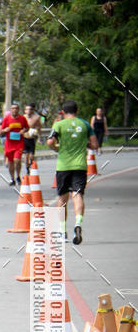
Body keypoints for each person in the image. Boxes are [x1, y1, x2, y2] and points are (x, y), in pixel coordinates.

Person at [47, 101, 98, 245]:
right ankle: (78, 223)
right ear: (77, 110)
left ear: (63, 112)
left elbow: (50, 142)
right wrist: (84, 143)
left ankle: (62, 232)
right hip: (80, 166)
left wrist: (57, 148)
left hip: (63, 166)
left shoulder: (59, 124)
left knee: (62, 200)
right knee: (78, 195)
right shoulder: (85, 125)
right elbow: (94, 145)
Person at [0, 102, 29, 185]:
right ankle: (12, 178)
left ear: (19, 110)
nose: (15, 110)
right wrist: (4, 130)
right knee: (10, 162)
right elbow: (1, 130)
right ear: (10, 110)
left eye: (16, 108)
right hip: (9, 144)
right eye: (13, 108)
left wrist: (23, 131)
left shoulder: (22, 119)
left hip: (19, 143)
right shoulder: (7, 119)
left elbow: (27, 128)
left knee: (17, 160)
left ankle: (18, 176)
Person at [23, 103, 42, 171]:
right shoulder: (23, 117)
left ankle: (30, 163)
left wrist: (40, 138)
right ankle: (27, 167)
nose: (28, 111)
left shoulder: (36, 117)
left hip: (32, 138)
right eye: (27, 109)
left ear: (32, 110)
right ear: (25, 110)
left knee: (31, 155)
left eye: (30, 109)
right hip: (24, 138)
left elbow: (39, 128)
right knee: (26, 154)